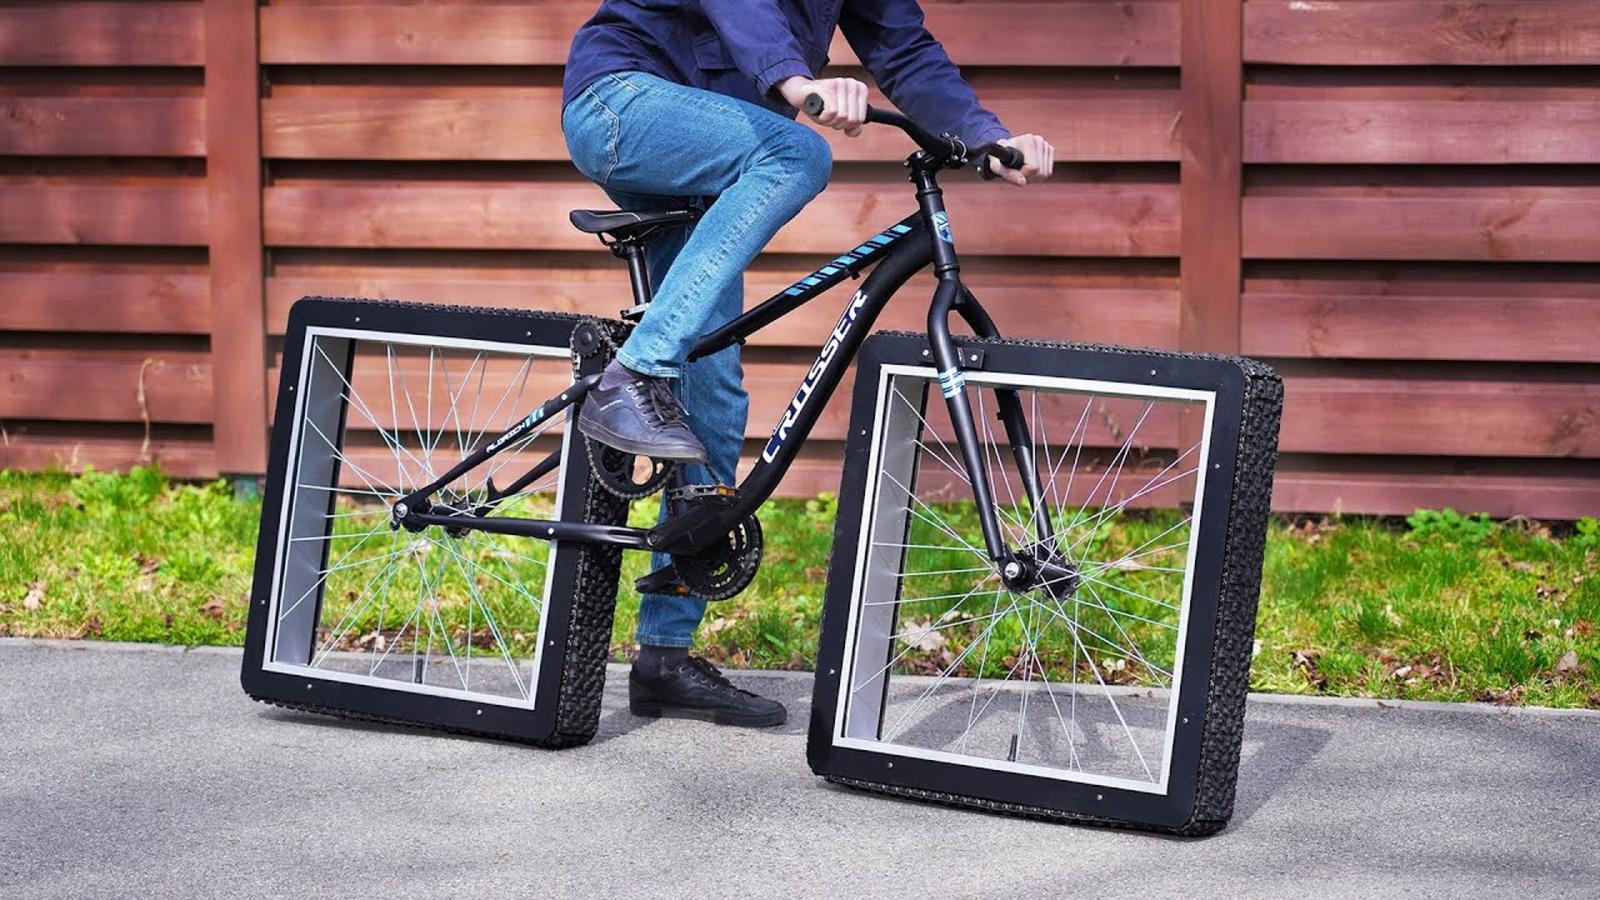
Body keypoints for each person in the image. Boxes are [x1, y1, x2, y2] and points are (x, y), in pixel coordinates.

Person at [561, 0, 1055, 728]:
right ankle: (634, 371)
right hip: (622, 100)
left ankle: (664, 658)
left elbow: (904, 50)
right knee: (798, 153)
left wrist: (985, 136)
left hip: (706, 160)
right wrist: (796, 82)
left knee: (714, 398)